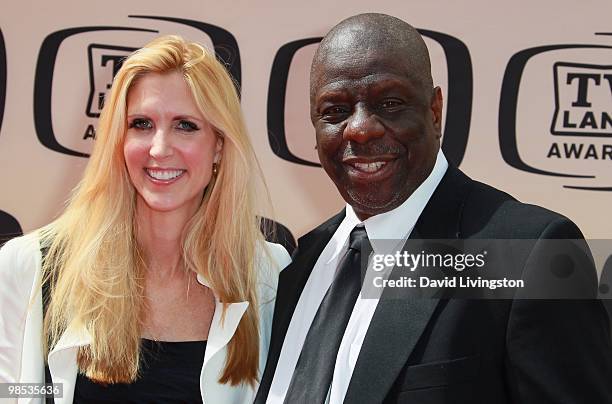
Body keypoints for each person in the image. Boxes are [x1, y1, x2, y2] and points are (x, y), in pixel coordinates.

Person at [255, 13, 612, 404]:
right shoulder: (296, 265)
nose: (360, 129)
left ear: (435, 111)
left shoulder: (526, 253)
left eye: (389, 103)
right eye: (335, 111)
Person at [0, 35, 290, 403]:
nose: (159, 148)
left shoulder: (266, 275)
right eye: (141, 124)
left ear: (219, 145)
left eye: (185, 125)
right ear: (117, 139)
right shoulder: (32, 266)